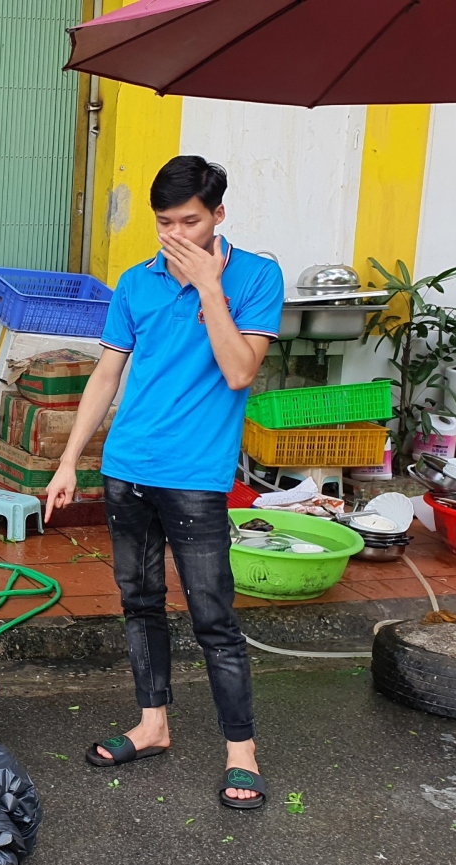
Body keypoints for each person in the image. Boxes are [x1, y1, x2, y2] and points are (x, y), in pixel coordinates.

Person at [44, 156, 284, 811]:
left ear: (218, 215)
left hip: (196, 477)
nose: (176, 235)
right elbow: (106, 375)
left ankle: (242, 753)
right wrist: (69, 460)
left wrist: (209, 287)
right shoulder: (135, 282)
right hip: (128, 468)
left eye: (190, 222)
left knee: (213, 616)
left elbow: (239, 372)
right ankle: (152, 724)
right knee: (140, 601)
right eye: (164, 223)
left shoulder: (257, 277)